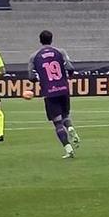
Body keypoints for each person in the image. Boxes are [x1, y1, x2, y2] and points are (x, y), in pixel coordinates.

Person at [30, 30, 80, 158]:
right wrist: (67, 77)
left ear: (40, 40)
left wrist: (40, 80)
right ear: (51, 39)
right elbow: (71, 68)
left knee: (57, 123)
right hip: (63, 89)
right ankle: (70, 128)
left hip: (49, 92)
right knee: (65, 115)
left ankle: (68, 149)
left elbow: (31, 76)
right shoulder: (60, 52)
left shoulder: (34, 56)